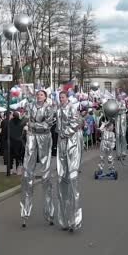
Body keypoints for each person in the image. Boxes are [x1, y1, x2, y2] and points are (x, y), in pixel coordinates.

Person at [19, 90, 56, 226]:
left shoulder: (49, 108)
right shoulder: (31, 106)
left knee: (46, 174)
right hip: (32, 137)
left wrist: (32, 125)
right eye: (38, 95)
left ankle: (49, 212)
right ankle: (25, 212)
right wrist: (28, 125)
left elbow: (47, 124)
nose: (39, 97)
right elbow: (26, 119)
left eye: (41, 95)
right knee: (27, 174)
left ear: (45, 97)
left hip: (44, 137)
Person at [55, 91, 84, 231]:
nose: (61, 99)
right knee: (61, 179)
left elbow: (76, 122)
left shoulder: (72, 107)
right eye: (60, 97)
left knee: (72, 179)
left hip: (71, 142)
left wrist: (65, 133)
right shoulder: (58, 108)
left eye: (63, 97)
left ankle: (75, 220)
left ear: (67, 98)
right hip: (61, 143)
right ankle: (64, 220)